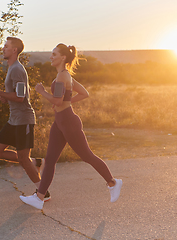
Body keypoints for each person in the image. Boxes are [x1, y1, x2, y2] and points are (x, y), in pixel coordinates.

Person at [19, 43, 122, 210]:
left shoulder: (62, 77)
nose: (50, 57)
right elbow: (83, 94)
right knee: (50, 160)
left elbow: (57, 101)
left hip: (68, 122)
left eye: (54, 54)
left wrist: (41, 91)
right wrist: (65, 102)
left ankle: (113, 182)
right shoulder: (66, 76)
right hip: (60, 121)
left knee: (87, 156)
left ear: (63, 57)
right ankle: (39, 197)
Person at [0, 36, 50, 201]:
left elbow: (21, 97)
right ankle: (35, 162)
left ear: (14, 50)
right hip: (13, 120)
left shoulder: (17, 69)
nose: (3, 48)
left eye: (6, 46)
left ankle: (42, 193)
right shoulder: (11, 68)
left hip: (23, 120)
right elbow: (15, 94)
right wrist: (4, 96)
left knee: (22, 158)